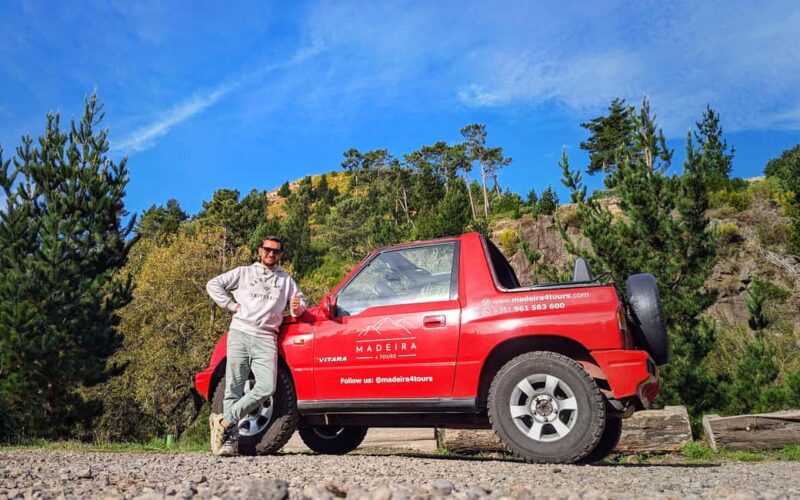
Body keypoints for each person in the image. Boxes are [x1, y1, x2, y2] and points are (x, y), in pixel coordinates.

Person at [205, 235, 306, 456]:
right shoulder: (244, 273)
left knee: (266, 387)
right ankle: (230, 442)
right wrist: (231, 305)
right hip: (240, 333)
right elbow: (213, 285)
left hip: (267, 337)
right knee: (234, 388)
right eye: (267, 250)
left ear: (281, 255)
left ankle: (222, 422)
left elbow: (300, 303)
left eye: (276, 251)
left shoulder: (285, 280)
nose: (271, 254)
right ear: (260, 251)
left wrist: (297, 307)